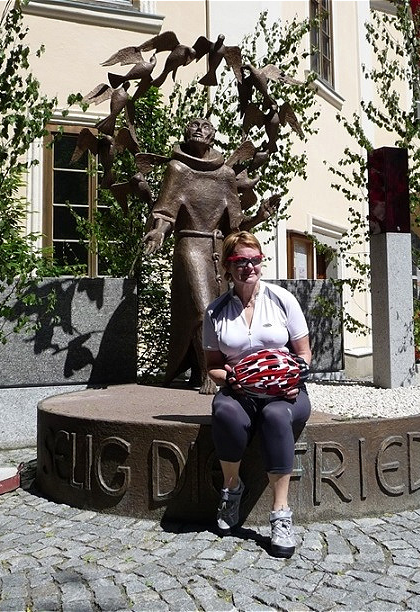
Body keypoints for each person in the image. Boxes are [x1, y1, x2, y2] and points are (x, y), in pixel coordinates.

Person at [142, 118, 276, 395]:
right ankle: (209, 373)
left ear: (213, 136)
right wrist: (158, 231)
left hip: (218, 249)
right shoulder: (177, 169)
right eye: (193, 125)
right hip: (189, 244)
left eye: (205, 126)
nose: (198, 129)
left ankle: (202, 368)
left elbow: (234, 226)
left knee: (221, 310)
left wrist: (260, 217)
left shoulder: (225, 175)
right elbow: (165, 211)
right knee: (203, 309)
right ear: (184, 132)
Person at [201, 231, 312, 559]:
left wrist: (295, 372)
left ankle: (280, 513)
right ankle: (232, 487)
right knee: (225, 413)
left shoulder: (282, 299)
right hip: (239, 389)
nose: (248, 267)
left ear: (261, 263)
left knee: (276, 416)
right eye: (239, 261)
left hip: (284, 390)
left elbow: (304, 354)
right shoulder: (216, 311)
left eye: (254, 260)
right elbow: (212, 366)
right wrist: (232, 376)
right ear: (227, 266)